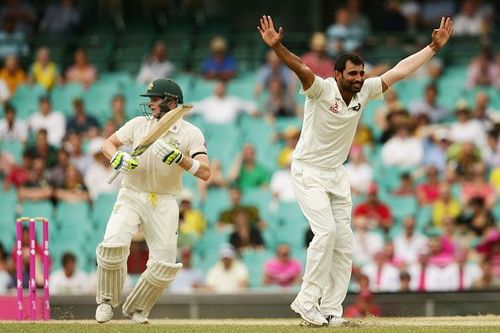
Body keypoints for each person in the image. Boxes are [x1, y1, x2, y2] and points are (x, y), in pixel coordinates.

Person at [258, 14, 453, 326]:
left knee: (344, 243)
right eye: (352, 73)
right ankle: (307, 302)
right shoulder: (321, 89)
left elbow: (399, 71)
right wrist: (279, 48)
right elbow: (302, 68)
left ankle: (331, 309)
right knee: (326, 233)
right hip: (307, 170)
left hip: (336, 173)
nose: (359, 78)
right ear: (337, 75)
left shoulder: (365, 92)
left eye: (361, 73)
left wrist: (432, 47)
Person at [94, 78, 210, 324]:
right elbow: (108, 143)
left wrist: (180, 159)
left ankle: (138, 308)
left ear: (172, 101)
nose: (151, 104)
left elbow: (206, 172)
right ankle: (105, 300)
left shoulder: (191, 133)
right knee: (112, 244)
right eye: (151, 100)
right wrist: (116, 158)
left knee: (164, 265)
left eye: (156, 99)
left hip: (165, 200)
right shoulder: (138, 125)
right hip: (131, 193)